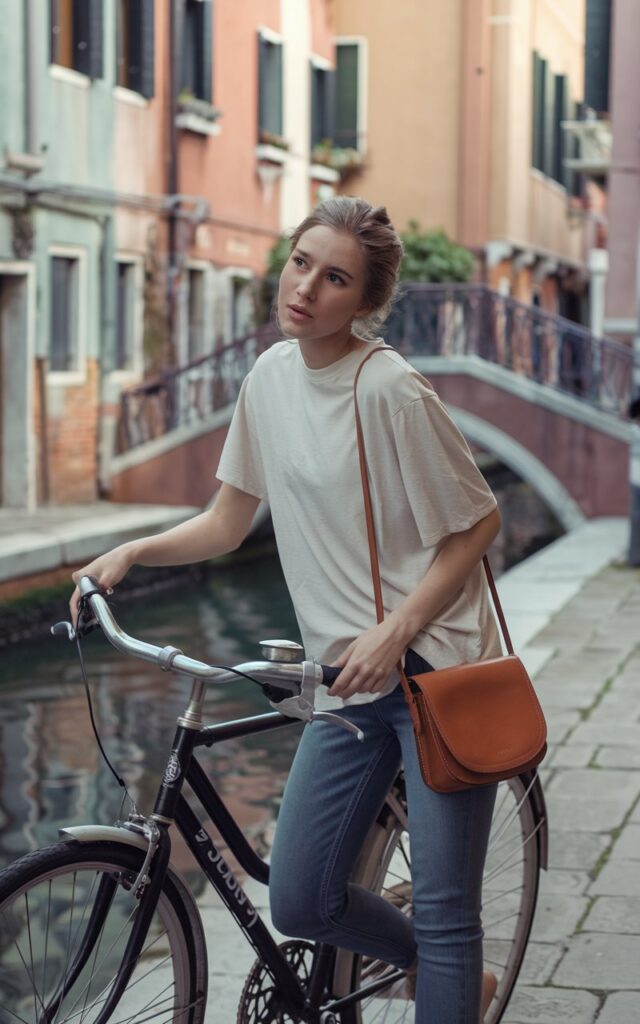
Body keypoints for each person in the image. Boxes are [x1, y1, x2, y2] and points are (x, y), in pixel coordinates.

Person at [70, 197, 502, 1023]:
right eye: (301, 262)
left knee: (448, 911)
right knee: (302, 900)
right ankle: (438, 969)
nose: (305, 287)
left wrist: (397, 628)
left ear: (365, 301)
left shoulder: (391, 390)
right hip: (341, 680)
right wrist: (131, 552)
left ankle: (447, 970)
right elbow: (228, 521)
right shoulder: (269, 376)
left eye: (335, 278)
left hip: (433, 676)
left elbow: (478, 523)